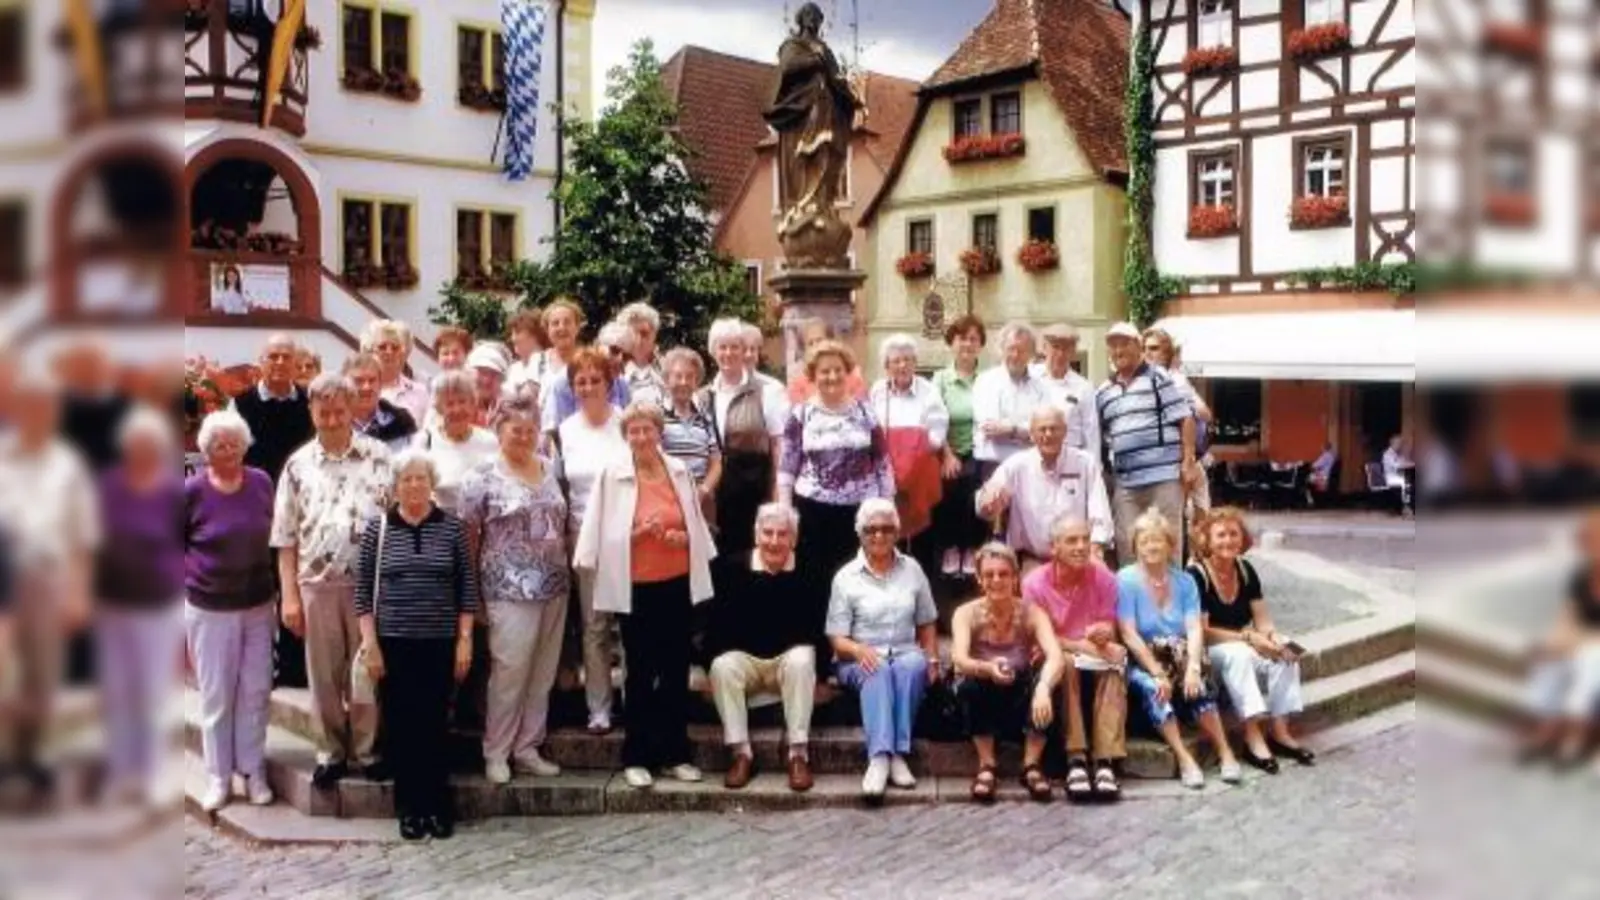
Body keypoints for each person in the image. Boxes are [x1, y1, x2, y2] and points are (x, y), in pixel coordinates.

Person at [574, 401, 717, 789]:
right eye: (633, 431)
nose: (640, 437)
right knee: (639, 671)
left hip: (676, 582)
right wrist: (635, 534)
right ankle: (636, 756)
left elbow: (694, 524)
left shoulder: (678, 470)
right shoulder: (612, 473)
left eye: (647, 429)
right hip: (635, 586)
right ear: (626, 436)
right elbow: (601, 533)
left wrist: (683, 537)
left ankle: (675, 754)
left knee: (674, 670)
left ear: (659, 432)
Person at [270, 373, 393, 789]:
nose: (333, 420)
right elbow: (285, 538)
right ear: (312, 412)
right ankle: (330, 752)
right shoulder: (298, 465)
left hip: (370, 586)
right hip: (317, 585)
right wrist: (289, 596)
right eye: (324, 413)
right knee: (323, 675)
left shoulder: (379, 456)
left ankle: (367, 750)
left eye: (340, 411)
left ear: (352, 409)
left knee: (365, 673)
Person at [354, 450, 478, 840]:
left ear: (432, 483)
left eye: (421, 478)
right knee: (402, 726)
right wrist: (370, 644)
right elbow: (362, 593)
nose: (414, 485)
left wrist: (464, 640)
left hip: (440, 642)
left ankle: (438, 807)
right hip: (394, 643)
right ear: (395, 486)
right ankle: (410, 808)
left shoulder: (452, 528)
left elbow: (466, 588)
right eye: (406, 479)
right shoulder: (378, 529)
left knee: (436, 724)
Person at [459, 395, 570, 784]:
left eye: (530, 430)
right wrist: (472, 595)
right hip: (508, 589)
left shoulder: (549, 468)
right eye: (515, 430)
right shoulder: (481, 477)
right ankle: (497, 751)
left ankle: (527, 748)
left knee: (542, 672)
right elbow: (468, 540)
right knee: (510, 672)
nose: (523, 437)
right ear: (498, 430)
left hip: (555, 586)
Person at [0, 370, 99, 794]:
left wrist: (78, 594)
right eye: (31, 406)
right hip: (4, 577)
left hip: (49, 579)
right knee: (5, 673)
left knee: (43, 675)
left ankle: (28, 756)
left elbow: (82, 535)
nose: (38, 414)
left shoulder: (68, 463)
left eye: (45, 407)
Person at [185, 410, 278, 813]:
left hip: (258, 602)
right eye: (220, 445)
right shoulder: (191, 491)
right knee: (217, 695)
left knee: (256, 690)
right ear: (206, 451)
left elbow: (276, 535)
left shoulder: (261, 482)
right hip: (210, 606)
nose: (229, 451)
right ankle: (218, 776)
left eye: (235, 443)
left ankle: (253, 771)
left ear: (245, 445)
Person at [93, 407, 185, 805]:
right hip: (112, 601)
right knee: (117, 691)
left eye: (149, 445)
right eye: (136, 445)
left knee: (152, 691)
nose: (142, 451)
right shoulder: (109, 485)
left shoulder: (173, 490)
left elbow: (186, 541)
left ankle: (151, 772)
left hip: (159, 603)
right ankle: (120, 772)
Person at [1117, 507, 1240, 789]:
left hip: (1180, 654)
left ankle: (1225, 751)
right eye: (1145, 541)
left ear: (1170, 545)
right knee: (1154, 688)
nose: (1151, 546)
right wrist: (1157, 672)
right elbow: (1128, 634)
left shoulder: (1185, 581)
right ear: (1135, 546)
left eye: (1157, 540)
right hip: (1143, 658)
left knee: (1197, 683)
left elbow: (1194, 628)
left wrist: (1194, 667)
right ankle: (1184, 758)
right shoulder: (1125, 580)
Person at [704, 503, 824, 791]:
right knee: (722, 666)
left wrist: (824, 675)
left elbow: (820, 628)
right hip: (747, 661)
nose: (774, 541)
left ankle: (797, 754)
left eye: (782, 534)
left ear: (793, 539)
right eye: (767, 533)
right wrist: (708, 669)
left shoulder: (810, 570)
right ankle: (741, 753)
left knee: (802, 658)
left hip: (786, 662)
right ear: (756, 535)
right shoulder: (730, 568)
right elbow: (713, 624)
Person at [825, 499, 940, 798]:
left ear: (897, 533)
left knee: (912, 665)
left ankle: (897, 754)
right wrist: (858, 650)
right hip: (856, 658)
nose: (879, 535)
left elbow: (927, 621)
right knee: (876, 669)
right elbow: (837, 639)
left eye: (887, 529)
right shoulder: (845, 577)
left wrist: (932, 658)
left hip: (903, 651)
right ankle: (879, 758)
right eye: (871, 529)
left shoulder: (913, 569)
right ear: (860, 533)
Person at [1190, 507, 1312, 772]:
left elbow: (1263, 620)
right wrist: (1249, 637)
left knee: (1286, 651)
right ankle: (1252, 735)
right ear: (1207, 540)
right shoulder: (1197, 575)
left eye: (1234, 534)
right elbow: (1202, 631)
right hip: (1209, 651)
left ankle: (1279, 730)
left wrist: (1273, 639)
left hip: (1242, 643)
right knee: (1239, 653)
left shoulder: (1245, 570)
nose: (1228, 540)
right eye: (1221, 535)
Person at [1022, 516, 1127, 802]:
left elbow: (1108, 628)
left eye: (1085, 539)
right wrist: (1078, 644)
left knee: (1113, 665)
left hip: (1091, 655)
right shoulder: (1034, 584)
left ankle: (1105, 761)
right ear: (1054, 547)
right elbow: (1039, 639)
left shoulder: (1104, 578)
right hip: (1049, 658)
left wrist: (1103, 634)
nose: (1081, 546)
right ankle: (1076, 757)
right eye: (1072, 540)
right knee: (1067, 662)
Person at [949, 543, 1063, 803]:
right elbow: (959, 658)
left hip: (1018, 692)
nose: (996, 580)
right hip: (982, 691)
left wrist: (1044, 687)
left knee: (1050, 679)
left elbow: (1055, 655)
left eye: (1003, 574)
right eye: (989, 575)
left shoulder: (1032, 613)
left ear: (1015, 578)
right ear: (979, 579)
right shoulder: (965, 613)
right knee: (969, 685)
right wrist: (987, 668)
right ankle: (987, 765)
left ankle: (1031, 764)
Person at [556, 347, 628, 733]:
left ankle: (634, 700)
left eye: (594, 380)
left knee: (629, 622)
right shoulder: (565, 430)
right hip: (583, 535)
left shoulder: (625, 423)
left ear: (609, 383)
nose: (587, 387)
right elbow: (562, 488)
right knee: (595, 625)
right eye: (580, 382)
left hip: (626, 533)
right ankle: (598, 708)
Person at [780, 340, 896, 581]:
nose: (832, 376)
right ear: (813, 375)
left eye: (838, 370)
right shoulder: (801, 414)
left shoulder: (865, 412)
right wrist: (786, 509)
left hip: (861, 511)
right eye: (825, 371)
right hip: (813, 511)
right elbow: (787, 467)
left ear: (847, 373)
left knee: (861, 578)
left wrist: (888, 505)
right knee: (816, 578)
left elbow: (882, 462)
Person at [1097, 322, 1199, 564]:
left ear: (1137, 346)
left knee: (1167, 544)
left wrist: (1188, 461)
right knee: (1127, 546)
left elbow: (1185, 418)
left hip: (1163, 477)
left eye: (1124, 344)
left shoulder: (1157, 377)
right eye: (1113, 345)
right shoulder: (1103, 391)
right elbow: (1104, 436)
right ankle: (1134, 589)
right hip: (1126, 483)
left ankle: (1171, 589)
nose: (1118, 350)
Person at [976, 406, 1114, 573]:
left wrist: (1096, 547)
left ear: (1065, 431)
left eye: (1054, 429)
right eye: (1042, 429)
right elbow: (986, 501)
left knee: (1102, 578)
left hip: (1078, 556)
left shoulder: (1085, 463)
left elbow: (1099, 510)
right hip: (1032, 559)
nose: (1048, 434)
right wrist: (988, 499)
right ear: (1032, 434)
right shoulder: (1016, 465)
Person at [701, 318, 789, 563]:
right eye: (723, 347)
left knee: (753, 560)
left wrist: (778, 494)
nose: (728, 353)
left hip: (753, 489)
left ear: (744, 351)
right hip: (716, 495)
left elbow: (779, 446)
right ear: (713, 351)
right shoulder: (702, 396)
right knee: (719, 562)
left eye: (735, 347)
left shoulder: (768, 391)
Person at [1520, 509, 1600, 768]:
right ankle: (1547, 730)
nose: (1588, 546)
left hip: (1593, 650)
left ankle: (1575, 738)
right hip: (1582, 643)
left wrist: (1580, 643)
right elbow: (1567, 619)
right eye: (1587, 539)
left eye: (1593, 539)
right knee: (1549, 664)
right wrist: (1551, 647)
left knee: (1590, 663)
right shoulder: (1581, 577)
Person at [869, 334, 948, 545]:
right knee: (888, 530)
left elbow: (938, 431)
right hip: (887, 473)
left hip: (919, 472)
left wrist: (913, 456)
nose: (902, 365)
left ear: (915, 363)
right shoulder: (877, 390)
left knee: (921, 538)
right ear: (887, 366)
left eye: (907, 359)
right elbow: (872, 428)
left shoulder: (929, 390)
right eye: (896, 361)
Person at [930, 315, 987, 577]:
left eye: (973, 339)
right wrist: (947, 454)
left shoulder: (987, 380)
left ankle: (973, 548)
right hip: (948, 449)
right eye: (962, 338)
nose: (967, 344)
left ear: (980, 345)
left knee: (975, 488)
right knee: (952, 485)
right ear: (951, 343)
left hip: (980, 450)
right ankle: (952, 548)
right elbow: (934, 419)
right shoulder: (940, 379)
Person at [1142, 327, 1214, 511]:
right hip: (1169, 461)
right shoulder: (1175, 379)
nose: (1147, 353)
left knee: (1184, 513)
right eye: (1144, 348)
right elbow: (1205, 413)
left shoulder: (1174, 381)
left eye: (1154, 348)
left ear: (1167, 354)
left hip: (1178, 460)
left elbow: (1203, 414)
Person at [972, 321, 1051, 477]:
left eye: (1022, 350)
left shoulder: (1041, 387)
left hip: (1031, 467)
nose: (1015, 355)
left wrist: (1010, 430)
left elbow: (1043, 430)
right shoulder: (985, 381)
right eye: (1011, 349)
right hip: (993, 466)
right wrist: (1025, 432)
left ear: (1031, 354)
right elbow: (990, 428)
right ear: (1002, 349)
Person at [231, 333, 313, 482]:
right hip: (256, 489)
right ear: (261, 362)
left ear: (295, 363)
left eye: (286, 357)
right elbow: (231, 452)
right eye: (273, 357)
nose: (280, 362)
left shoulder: (310, 402)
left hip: (302, 486)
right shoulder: (240, 404)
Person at [415, 370, 499, 515]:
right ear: (439, 409)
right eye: (450, 404)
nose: (457, 409)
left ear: (473, 404)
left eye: (462, 401)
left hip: (480, 521)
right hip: (439, 521)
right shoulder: (426, 440)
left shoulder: (489, 441)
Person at [539, 300, 630, 433]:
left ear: (577, 327)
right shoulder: (553, 374)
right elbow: (555, 429)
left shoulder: (618, 382)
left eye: (567, 322)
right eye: (555, 323)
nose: (561, 327)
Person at [659, 347, 722, 508]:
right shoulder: (657, 416)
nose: (684, 382)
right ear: (667, 379)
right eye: (678, 376)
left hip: (700, 501)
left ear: (697, 382)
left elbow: (716, 462)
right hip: (667, 499)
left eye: (690, 377)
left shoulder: (705, 417)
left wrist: (704, 490)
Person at [1031, 323, 1099, 454]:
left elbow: (1091, 432)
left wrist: (1093, 464)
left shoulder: (1083, 387)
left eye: (1066, 348)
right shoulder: (1030, 378)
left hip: (1071, 455)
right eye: (1055, 347)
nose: (1060, 354)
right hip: (1034, 455)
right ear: (1044, 348)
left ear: (1073, 352)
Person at [344, 353, 417, 452]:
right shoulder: (333, 422)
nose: (366, 387)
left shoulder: (402, 422)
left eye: (372, 380)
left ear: (380, 384)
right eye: (359, 381)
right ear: (345, 385)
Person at [364, 319, 429, 425]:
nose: (389, 352)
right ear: (370, 351)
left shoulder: (420, 392)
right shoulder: (357, 391)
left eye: (395, 347)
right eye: (382, 347)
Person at [787, 318, 867, 403]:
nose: (815, 346)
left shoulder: (853, 379)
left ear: (832, 342)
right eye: (810, 343)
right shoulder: (798, 387)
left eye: (819, 340)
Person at [616, 302, 667, 408]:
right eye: (632, 334)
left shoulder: (667, 369)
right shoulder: (613, 371)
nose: (638, 340)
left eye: (644, 334)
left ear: (654, 335)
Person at [466, 343, 511, 428]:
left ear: (502, 380)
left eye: (494, 374)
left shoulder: (511, 412)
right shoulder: (456, 404)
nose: (486, 380)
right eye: (482, 372)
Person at [504, 310, 546, 393]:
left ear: (535, 335)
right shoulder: (514, 368)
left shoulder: (548, 364)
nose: (513, 338)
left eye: (518, 332)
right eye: (512, 333)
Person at [743, 322, 785, 389]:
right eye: (744, 350)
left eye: (752, 349)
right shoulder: (725, 388)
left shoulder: (772, 386)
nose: (748, 354)